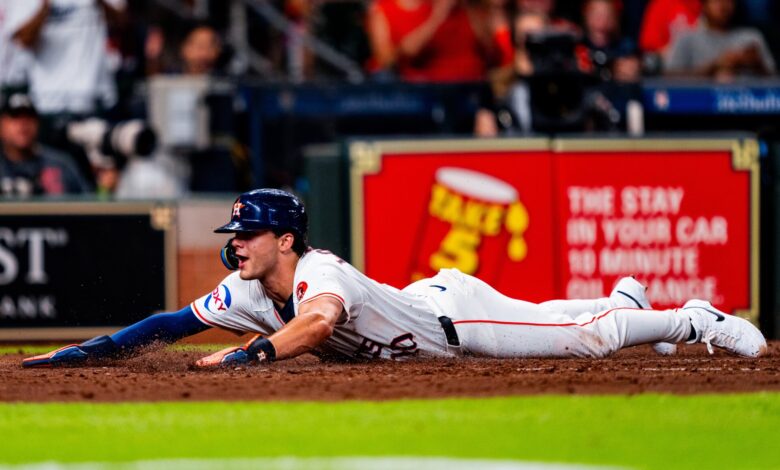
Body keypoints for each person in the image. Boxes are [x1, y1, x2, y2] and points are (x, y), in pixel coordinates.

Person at [22, 189, 767, 368]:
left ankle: (691, 319)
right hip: (429, 304)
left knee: (589, 341)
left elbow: (315, 324)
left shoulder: (318, 269)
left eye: (247, 235)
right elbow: (165, 326)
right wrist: (76, 355)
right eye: (234, 235)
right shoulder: (249, 288)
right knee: (561, 319)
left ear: (284, 239)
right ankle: (628, 299)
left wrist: (250, 356)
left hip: (454, 324)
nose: (236, 245)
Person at [4, 0, 126, 116]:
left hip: (96, 95)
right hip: (48, 99)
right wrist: (45, 8)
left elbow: (124, 22)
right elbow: (22, 40)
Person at [365, 0, 498, 82]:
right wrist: (437, 17)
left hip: (474, 84)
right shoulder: (386, 10)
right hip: (429, 88)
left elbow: (491, 51)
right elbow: (392, 58)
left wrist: (469, 7)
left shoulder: (463, 9)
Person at [0, 93, 90, 197]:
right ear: (1, 125)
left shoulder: (61, 165)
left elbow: (87, 204)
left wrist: (104, 188)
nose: (23, 124)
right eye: (15, 118)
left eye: (29, 117)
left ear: (37, 124)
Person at [665, 0, 775, 79]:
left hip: (748, 104)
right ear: (704, 5)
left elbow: (774, 80)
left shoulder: (751, 36)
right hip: (699, 107)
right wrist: (713, 67)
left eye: (729, 1)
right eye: (716, 1)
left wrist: (758, 65)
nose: (723, 5)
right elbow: (668, 79)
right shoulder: (687, 39)